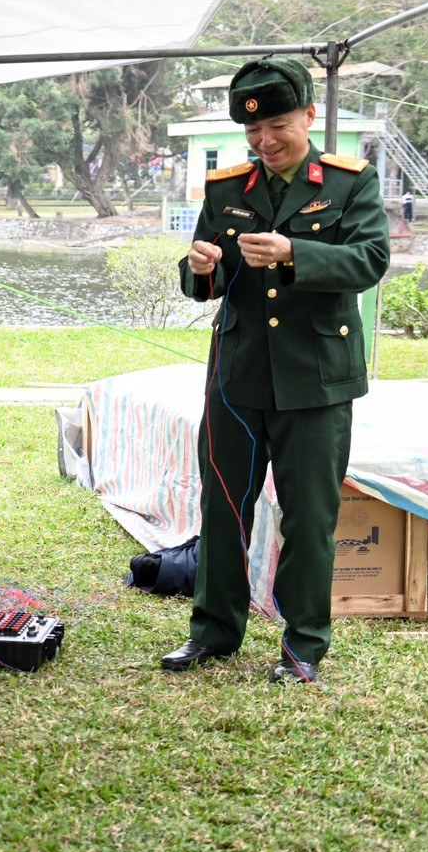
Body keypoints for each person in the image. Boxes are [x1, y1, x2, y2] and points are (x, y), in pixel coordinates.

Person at [160, 56, 389, 684]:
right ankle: (213, 632)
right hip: (237, 377)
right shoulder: (227, 191)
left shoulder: (348, 183)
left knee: (310, 515)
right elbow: (200, 280)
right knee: (223, 507)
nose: (265, 141)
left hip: (315, 380)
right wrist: (201, 267)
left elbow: (370, 260)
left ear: (308, 117)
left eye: (278, 126)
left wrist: (296, 254)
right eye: (253, 133)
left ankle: (303, 646)